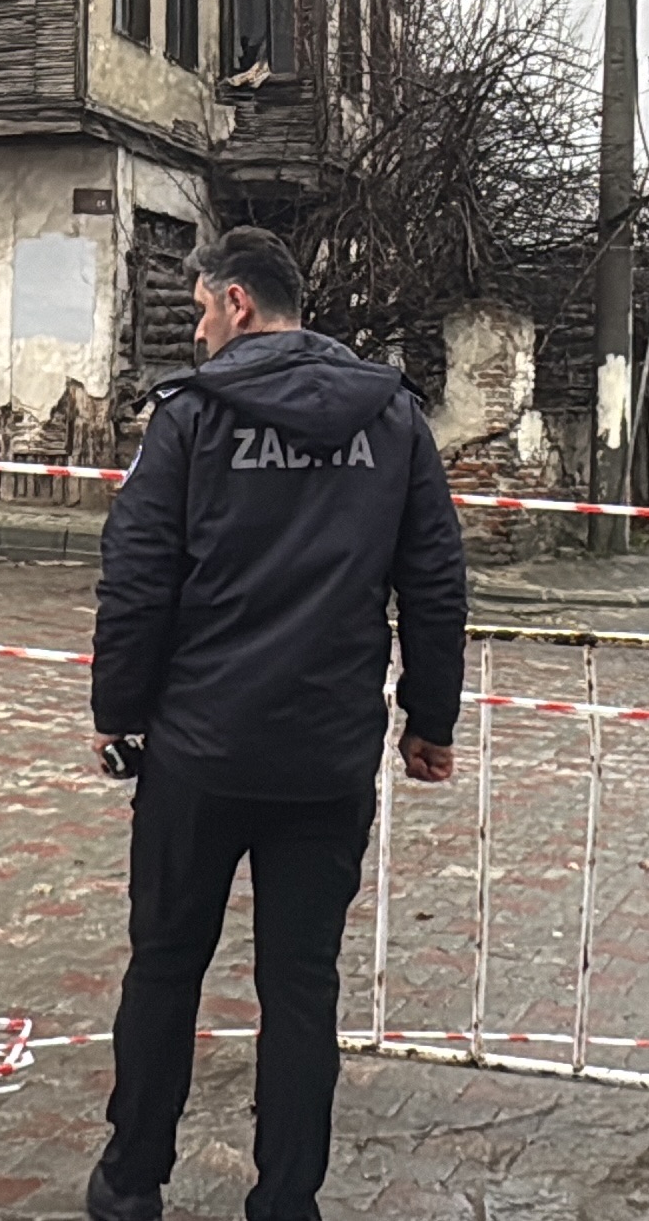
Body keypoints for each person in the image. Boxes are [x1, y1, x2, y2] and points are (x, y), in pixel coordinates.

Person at [85, 226, 469, 1221]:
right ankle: (285, 1200)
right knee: (301, 987)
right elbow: (434, 581)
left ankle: (131, 1184)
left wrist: (117, 713)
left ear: (239, 303)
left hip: (199, 750)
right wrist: (430, 718)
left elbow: (136, 579)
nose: (202, 331)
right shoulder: (391, 420)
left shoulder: (190, 417)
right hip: (325, 754)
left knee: (165, 963)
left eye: (204, 309)